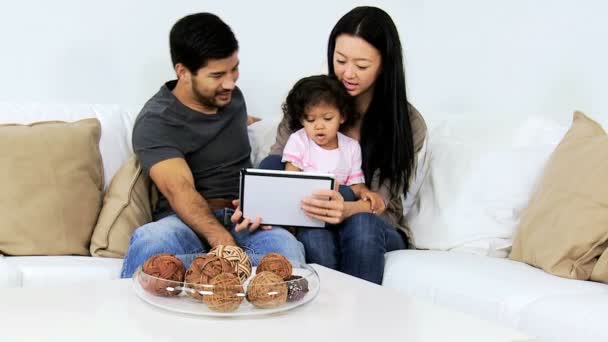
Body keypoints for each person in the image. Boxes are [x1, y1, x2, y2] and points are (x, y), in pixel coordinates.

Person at [120, 13, 304, 278]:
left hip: (245, 220)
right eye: (217, 75)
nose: (230, 82)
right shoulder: (157, 121)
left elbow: (239, 127)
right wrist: (223, 243)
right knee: (152, 241)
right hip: (186, 221)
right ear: (183, 72)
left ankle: (209, 273)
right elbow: (179, 191)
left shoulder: (231, 98)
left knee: (286, 250)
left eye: (234, 69)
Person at [258, 6, 429, 284]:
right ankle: (320, 318)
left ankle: (358, 321)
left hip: (374, 222)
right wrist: (258, 201)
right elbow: (276, 168)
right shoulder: (308, 103)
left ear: (385, 64)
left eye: (361, 66)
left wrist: (345, 210)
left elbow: (381, 200)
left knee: (361, 224)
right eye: (340, 61)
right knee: (313, 231)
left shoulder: (407, 123)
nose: (348, 73)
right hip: (312, 215)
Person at [280, 74, 384, 212]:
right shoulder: (298, 140)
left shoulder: (351, 147)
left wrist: (365, 193)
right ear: (301, 120)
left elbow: (355, 185)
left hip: (339, 212)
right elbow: (291, 178)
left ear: (342, 116)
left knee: (346, 193)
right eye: (310, 120)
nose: (319, 126)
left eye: (327, 118)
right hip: (309, 209)